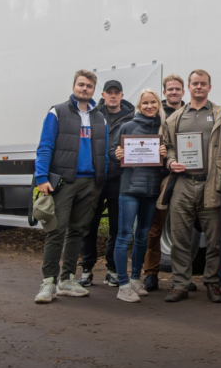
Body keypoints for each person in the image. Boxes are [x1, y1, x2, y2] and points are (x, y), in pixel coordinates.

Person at [33, 70, 109, 304]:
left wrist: (101, 180)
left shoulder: (100, 118)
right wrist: (41, 177)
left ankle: (66, 280)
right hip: (65, 181)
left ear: (94, 90)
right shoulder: (57, 112)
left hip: (90, 184)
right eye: (81, 85)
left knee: (78, 231)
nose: (84, 89)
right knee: (57, 231)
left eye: (89, 86)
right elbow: (45, 145)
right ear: (74, 86)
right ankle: (48, 283)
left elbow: (103, 154)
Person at [160, 69, 221, 303]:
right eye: (195, 83)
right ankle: (180, 284)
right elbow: (167, 146)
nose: (199, 87)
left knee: (214, 238)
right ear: (188, 87)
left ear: (209, 87)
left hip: (211, 184)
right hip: (183, 184)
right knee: (180, 238)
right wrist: (171, 161)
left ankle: (212, 283)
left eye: (203, 84)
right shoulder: (175, 117)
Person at [79, 81, 135, 288]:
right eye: (109, 93)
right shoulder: (93, 116)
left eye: (116, 93)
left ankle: (112, 269)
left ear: (121, 95)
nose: (113, 96)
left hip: (119, 180)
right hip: (95, 179)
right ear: (102, 94)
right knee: (88, 225)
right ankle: (86, 269)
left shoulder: (132, 119)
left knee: (116, 227)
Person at [113, 89, 167, 303]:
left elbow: (168, 161)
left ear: (158, 105)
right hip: (130, 189)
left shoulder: (163, 128)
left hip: (152, 189)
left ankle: (136, 279)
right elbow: (112, 152)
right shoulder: (127, 126)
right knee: (124, 235)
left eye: (153, 102)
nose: (149, 106)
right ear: (139, 105)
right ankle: (123, 284)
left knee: (143, 235)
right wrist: (117, 154)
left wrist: (164, 155)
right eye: (145, 102)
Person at [142, 74, 186, 292]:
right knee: (155, 228)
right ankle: (150, 273)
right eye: (170, 89)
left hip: (186, 179)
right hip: (160, 178)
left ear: (183, 92)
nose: (174, 92)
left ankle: (182, 278)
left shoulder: (190, 114)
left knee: (181, 231)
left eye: (177, 89)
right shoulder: (157, 116)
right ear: (165, 93)